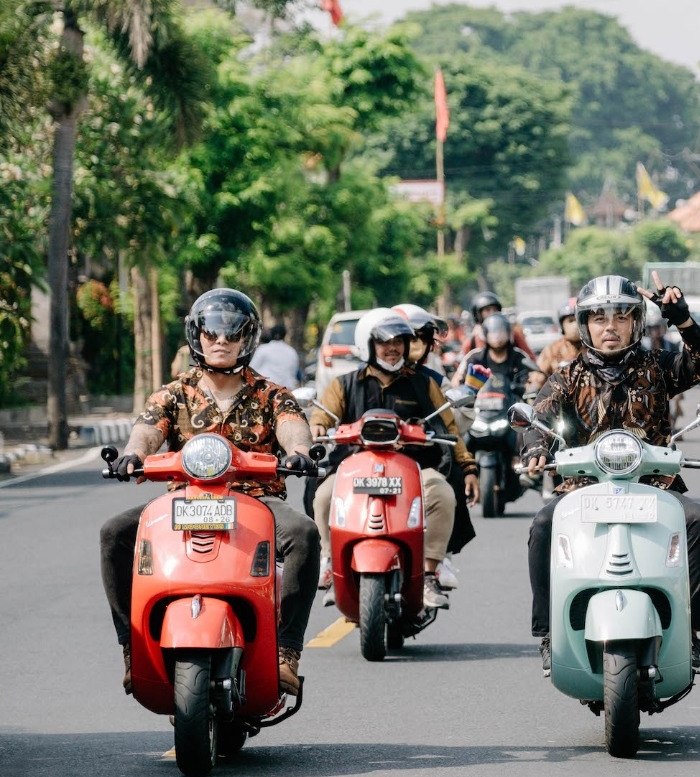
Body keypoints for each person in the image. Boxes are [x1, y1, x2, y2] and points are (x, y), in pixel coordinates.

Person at [100, 289, 320, 695]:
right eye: (212, 332)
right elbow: (147, 430)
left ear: (247, 339)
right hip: (185, 499)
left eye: (232, 333)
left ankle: (286, 652)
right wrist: (133, 454)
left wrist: (300, 452)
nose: (221, 340)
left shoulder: (271, 394)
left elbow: (293, 426)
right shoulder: (173, 393)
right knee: (114, 532)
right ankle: (133, 648)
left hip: (256, 500)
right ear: (196, 336)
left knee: (304, 533)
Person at [519, 275, 700, 675]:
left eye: (621, 317)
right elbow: (539, 415)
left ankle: (690, 630)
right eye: (599, 318)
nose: (609, 327)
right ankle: (549, 633)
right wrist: (536, 447)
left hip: (653, 485)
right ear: (584, 325)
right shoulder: (567, 376)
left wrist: (680, 316)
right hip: (583, 487)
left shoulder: (658, 366)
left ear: (636, 323)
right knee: (543, 524)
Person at [309, 308, 479, 610]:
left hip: (414, 466)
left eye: (399, 341)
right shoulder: (344, 384)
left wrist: (468, 467)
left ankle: (430, 572)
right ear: (367, 345)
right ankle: (331, 564)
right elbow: (323, 414)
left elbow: (449, 428)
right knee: (324, 496)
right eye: (384, 342)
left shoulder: (424, 383)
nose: (393, 348)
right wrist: (319, 425)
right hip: (356, 465)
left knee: (441, 492)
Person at [396, 302, 472, 589]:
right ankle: (331, 558)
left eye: (418, 338)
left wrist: (469, 396)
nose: (401, 348)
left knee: (451, 480)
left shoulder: (431, 381)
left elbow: (453, 425)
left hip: (423, 459)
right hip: (371, 461)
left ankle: (438, 559)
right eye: (400, 339)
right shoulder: (357, 380)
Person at [454, 313, 537, 395]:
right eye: (493, 332)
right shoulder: (474, 358)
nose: (497, 336)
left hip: (512, 402)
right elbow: (458, 384)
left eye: (501, 331)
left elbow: (529, 386)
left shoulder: (519, 357)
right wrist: (469, 388)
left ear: (508, 333)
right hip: (479, 403)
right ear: (486, 334)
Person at [529, 298, 581, 393]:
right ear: (562, 325)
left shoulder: (595, 348)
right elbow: (537, 379)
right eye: (571, 321)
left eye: (579, 320)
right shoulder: (552, 350)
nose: (575, 325)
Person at [462, 291, 536, 358]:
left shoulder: (511, 335)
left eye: (495, 310)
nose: (492, 313)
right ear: (478, 314)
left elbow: (529, 359)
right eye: (487, 310)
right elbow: (464, 363)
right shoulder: (473, 341)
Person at [251, 322, 301, 389]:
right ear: (284, 335)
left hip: (266, 389)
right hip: (286, 390)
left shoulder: (263, 349)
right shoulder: (292, 351)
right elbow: (294, 372)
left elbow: (252, 368)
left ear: (271, 334)